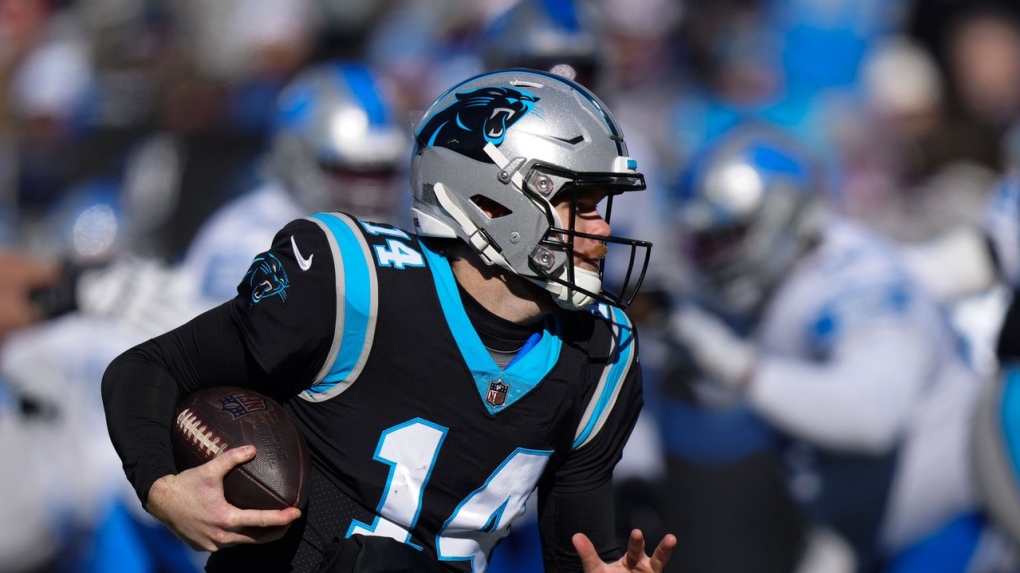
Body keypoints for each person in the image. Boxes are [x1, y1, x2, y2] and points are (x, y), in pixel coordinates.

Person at [101, 68, 676, 573]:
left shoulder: (601, 350)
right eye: (580, 205)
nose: (600, 233)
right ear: (493, 202)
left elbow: (572, 549)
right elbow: (148, 367)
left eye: (602, 208)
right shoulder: (355, 285)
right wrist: (163, 488)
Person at [663, 120, 1003, 572]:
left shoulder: (854, 281)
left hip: (952, 537)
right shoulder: (785, 283)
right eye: (703, 245)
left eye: (729, 238)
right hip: (869, 544)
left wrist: (741, 367)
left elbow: (873, 416)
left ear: (785, 215)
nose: (715, 261)